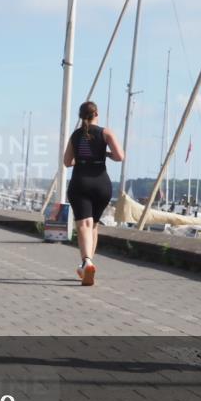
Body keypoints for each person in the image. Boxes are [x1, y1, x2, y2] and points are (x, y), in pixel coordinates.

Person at [63, 101, 124, 286]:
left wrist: (82, 160)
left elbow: (67, 162)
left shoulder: (75, 135)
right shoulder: (106, 133)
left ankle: (86, 261)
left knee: (84, 224)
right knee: (94, 225)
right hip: (101, 184)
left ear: (81, 116)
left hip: (80, 180)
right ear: (96, 113)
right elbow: (120, 156)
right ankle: (88, 264)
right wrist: (103, 155)